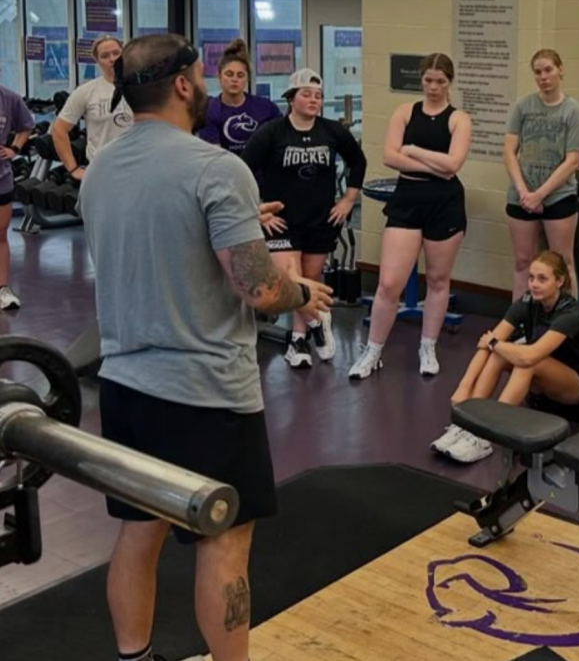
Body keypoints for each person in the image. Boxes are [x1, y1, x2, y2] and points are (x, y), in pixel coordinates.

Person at [77, 33, 333, 661]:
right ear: (186, 85)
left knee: (139, 534)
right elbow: (259, 288)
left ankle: (133, 657)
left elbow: (159, 240)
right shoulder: (216, 167)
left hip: (126, 388)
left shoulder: (100, 168)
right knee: (223, 544)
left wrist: (240, 217)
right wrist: (303, 292)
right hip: (207, 394)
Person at [349, 53, 471, 380]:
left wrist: (414, 151)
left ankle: (427, 346)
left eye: (440, 82)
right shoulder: (405, 112)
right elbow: (390, 157)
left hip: (444, 203)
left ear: (449, 82)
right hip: (408, 199)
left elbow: (453, 165)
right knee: (389, 282)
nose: (433, 87)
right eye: (428, 80)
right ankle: (373, 350)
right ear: (421, 80)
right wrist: (434, 164)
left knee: (437, 279)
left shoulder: (459, 119)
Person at [242, 68, 367, 369]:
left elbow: (357, 161)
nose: (314, 100)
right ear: (291, 98)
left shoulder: (332, 131)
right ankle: (319, 319)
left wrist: (349, 199)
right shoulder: (272, 132)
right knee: (289, 277)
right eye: (306, 95)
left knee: (310, 280)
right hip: (282, 220)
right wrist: (259, 210)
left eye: (319, 96)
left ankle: (298, 340)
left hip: (319, 219)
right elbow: (242, 170)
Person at [432, 250, 579, 463]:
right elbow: (486, 345)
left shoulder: (569, 314)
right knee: (500, 354)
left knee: (524, 360)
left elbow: (529, 356)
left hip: (574, 386)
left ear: (560, 281)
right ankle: (469, 423)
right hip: (541, 379)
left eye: (542, 279)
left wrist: (494, 343)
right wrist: (464, 388)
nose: (534, 284)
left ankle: (488, 434)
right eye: (531, 278)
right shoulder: (526, 302)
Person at [503, 49, 579, 299]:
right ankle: (520, 324)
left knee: (562, 262)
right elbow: (509, 153)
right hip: (521, 195)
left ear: (560, 70)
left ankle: (567, 325)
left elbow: (573, 160)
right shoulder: (523, 106)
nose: (544, 77)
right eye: (538, 72)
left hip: (558, 196)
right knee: (523, 261)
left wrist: (540, 194)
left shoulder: (573, 110)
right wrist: (524, 192)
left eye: (548, 70)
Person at [50, 35, 133, 178]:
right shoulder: (85, 92)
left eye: (116, 53)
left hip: (138, 168)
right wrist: (73, 168)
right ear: (97, 61)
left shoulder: (142, 87)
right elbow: (58, 130)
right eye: (105, 56)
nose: (112, 59)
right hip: (103, 172)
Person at [197, 39, 282, 156]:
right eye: (229, 74)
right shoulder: (210, 110)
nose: (234, 80)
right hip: (225, 170)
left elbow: (281, 143)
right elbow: (214, 156)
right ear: (219, 76)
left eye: (240, 75)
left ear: (247, 78)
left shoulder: (266, 108)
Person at [0, 70, 34, 310]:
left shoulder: (9, 98)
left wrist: (14, 148)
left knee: (0, 236)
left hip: (1, 177)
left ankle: (2, 289)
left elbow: (26, 126)